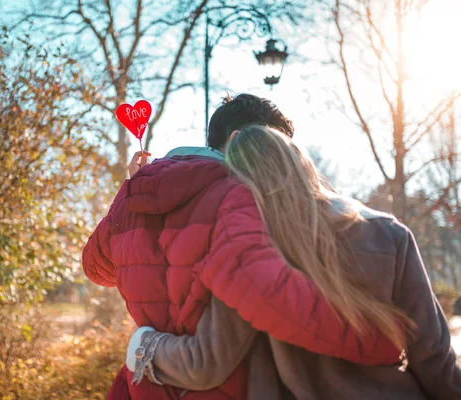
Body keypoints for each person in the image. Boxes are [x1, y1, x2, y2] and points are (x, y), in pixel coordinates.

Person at [82, 94, 404, 400]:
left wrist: (130, 195)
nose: (281, 163)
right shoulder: (237, 196)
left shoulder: (134, 195)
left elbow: (97, 267)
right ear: (238, 140)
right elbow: (269, 294)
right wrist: (374, 339)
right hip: (217, 388)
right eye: (274, 147)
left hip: (145, 386)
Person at [126, 124, 461, 400]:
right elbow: (435, 359)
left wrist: (143, 345)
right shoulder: (387, 233)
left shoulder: (246, 251)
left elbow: (207, 362)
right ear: (302, 163)